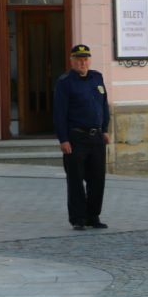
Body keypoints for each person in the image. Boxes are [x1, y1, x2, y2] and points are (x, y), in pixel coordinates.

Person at [53, 44, 111, 231]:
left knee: (97, 179)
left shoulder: (97, 77)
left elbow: (103, 105)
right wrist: (63, 139)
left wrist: (105, 129)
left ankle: (93, 216)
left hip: (96, 137)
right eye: (78, 59)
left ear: (89, 60)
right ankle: (78, 218)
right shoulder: (65, 82)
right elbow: (59, 113)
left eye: (85, 59)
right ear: (72, 61)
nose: (82, 62)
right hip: (75, 137)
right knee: (76, 179)